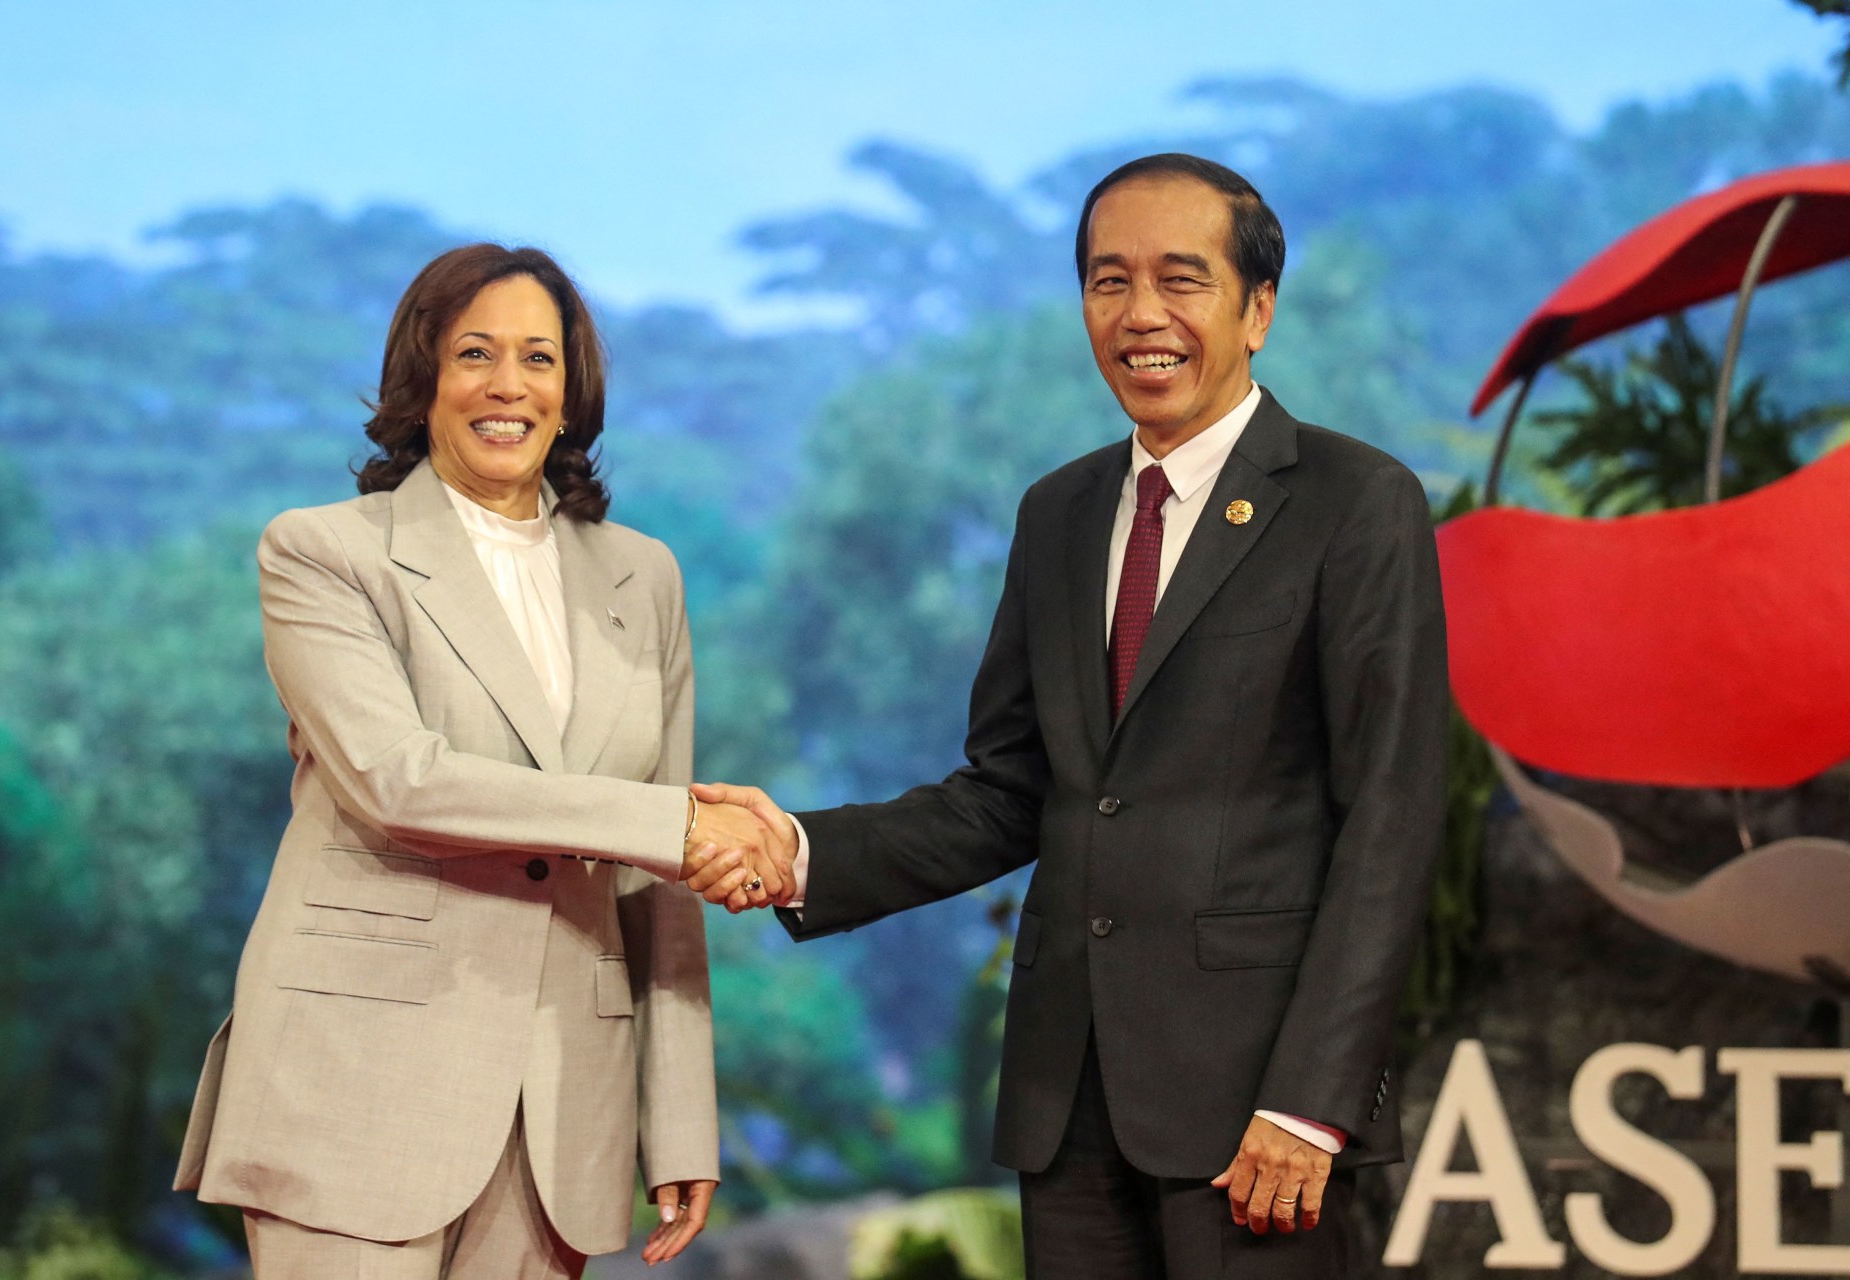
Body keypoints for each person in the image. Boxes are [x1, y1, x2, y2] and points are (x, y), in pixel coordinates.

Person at [695, 155, 1449, 1278]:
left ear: (1258, 310)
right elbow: (1011, 791)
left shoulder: (1356, 500)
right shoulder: (1059, 512)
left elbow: (1390, 815)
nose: (1141, 314)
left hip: (1253, 1111)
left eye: (1180, 279)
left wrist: (1312, 1100)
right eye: (1109, 281)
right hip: (1068, 1096)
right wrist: (800, 850)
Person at [173, 243, 793, 1279]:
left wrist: (681, 1117)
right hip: (356, 1082)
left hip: (563, 1106)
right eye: (475, 353)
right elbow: (399, 780)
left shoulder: (644, 576)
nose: (509, 385)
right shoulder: (323, 551)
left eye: (539, 358)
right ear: (424, 380)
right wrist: (677, 825)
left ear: (571, 389)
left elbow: (657, 877)